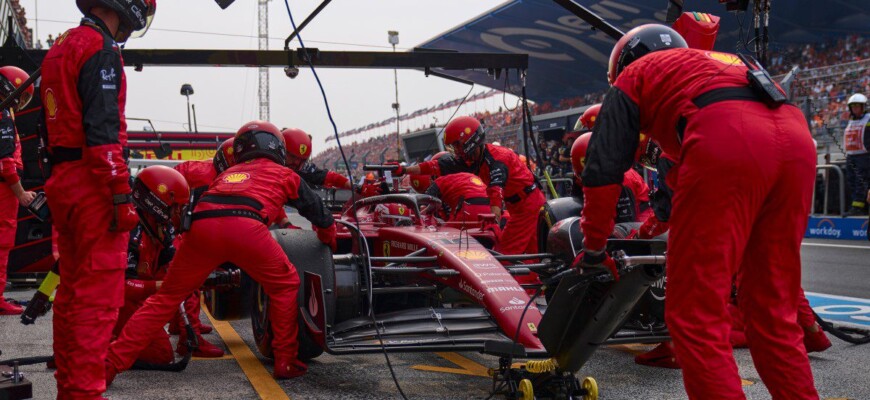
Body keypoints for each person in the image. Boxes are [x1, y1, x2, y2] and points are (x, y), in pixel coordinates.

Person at [578, 24, 818, 399]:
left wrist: (594, 249)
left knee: (695, 314)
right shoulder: (718, 62)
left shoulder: (635, 75)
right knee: (773, 312)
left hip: (725, 136)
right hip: (797, 141)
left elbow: (603, 170)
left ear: (622, 64)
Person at [106, 121, 336, 383]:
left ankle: (110, 364)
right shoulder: (284, 174)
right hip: (247, 227)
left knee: (165, 300)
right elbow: (317, 211)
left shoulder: (230, 172)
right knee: (285, 284)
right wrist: (329, 240)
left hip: (202, 227)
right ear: (276, 148)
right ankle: (285, 360)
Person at [40, 0, 156, 397]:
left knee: (71, 296)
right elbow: (104, 131)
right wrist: (120, 193)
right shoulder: (101, 50)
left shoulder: (61, 46)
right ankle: (85, 392)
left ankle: (70, 389)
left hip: (63, 180)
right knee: (98, 302)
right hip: (93, 188)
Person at [398, 116, 545, 258]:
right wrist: (404, 170)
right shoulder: (472, 160)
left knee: (505, 256)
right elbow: (434, 165)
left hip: (526, 205)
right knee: (534, 255)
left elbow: (496, 191)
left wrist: (493, 221)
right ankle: (536, 281)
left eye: (456, 145)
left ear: (469, 141)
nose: (455, 150)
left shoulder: (497, 158)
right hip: (519, 205)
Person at [119, 165, 224, 364]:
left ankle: (188, 338)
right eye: (176, 206)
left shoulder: (160, 228)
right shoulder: (128, 231)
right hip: (115, 303)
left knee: (184, 277)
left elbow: (173, 268)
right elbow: (119, 286)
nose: (179, 212)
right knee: (160, 355)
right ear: (157, 201)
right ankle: (99, 347)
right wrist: (161, 287)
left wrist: (203, 278)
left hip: (135, 299)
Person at [0, 66, 36, 315]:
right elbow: (5, 161)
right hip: (4, 191)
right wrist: (21, 193)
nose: (22, 102)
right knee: (2, 243)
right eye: (22, 96)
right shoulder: (3, 115)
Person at [570, 132, 651, 224]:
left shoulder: (623, 180)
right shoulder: (579, 177)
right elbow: (577, 204)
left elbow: (627, 222)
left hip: (639, 215)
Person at [282, 128, 351, 190]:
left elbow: (326, 176)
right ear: (282, 151)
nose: (296, 162)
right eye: (292, 156)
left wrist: (354, 186)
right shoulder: (272, 166)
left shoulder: (305, 169)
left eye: (301, 159)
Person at [843, 93, 869, 215]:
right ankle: (856, 205)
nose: (855, 109)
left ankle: (859, 206)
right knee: (851, 180)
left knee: (861, 181)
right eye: (853, 107)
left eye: (857, 107)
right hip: (851, 156)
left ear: (863, 107)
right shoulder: (851, 121)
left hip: (863, 156)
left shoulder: (868, 119)